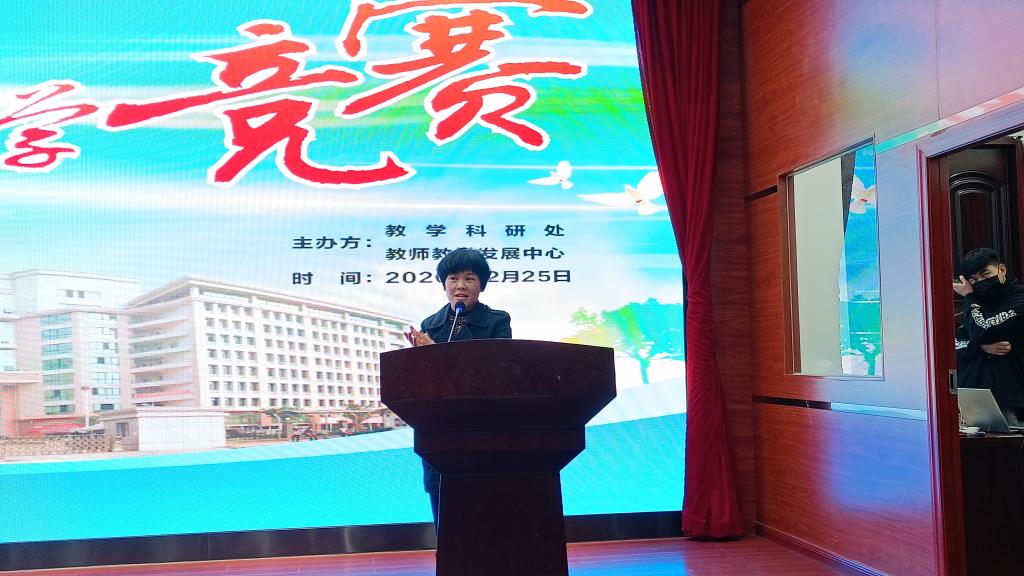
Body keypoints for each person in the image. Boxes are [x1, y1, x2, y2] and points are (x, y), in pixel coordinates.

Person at [403, 248, 512, 529]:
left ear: (482, 285)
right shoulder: (430, 325)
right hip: (439, 431)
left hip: (483, 430)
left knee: (489, 518)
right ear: (444, 284)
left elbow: (495, 373)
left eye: (470, 279)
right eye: (453, 278)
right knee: (447, 521)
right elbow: (426, 382)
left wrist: (436, 352)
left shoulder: (498, 322)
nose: (460, 286)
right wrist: (418, 358)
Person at [952, 247, 1024, 425]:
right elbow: (952, 345)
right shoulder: (973, 307)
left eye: (985, 274)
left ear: (1002, 270)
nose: (981, 282)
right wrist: (981, 347)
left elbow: (981, 330)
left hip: (1011, 404)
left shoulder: (1019, 301)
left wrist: (969, 296)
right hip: (970, 400)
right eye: (973, 280)